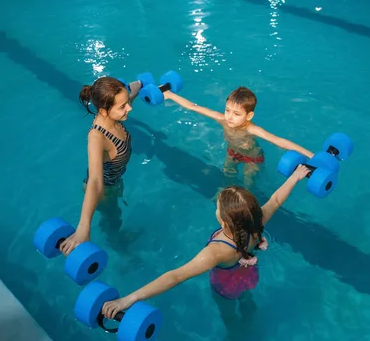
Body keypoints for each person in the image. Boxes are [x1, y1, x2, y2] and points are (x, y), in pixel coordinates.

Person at [101, 164, 310, 318]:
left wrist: (128, 299)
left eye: (218, 207)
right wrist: (295, 177)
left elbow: (175, 276)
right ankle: (248, 307)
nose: (216, 208)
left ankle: (234, 331)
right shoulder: (256, 223)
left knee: (227, 311)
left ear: (224, 220)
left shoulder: (218, 251)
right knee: (245, 295)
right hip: (248, 274)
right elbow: (275, 200)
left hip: (226, 286)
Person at [163, 86, 313, 187]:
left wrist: (310, 155)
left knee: (248, 183)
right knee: (227, 174)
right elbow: (193, 107)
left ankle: (247, 202)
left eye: (236, 114)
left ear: (249, 116)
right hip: (232, 153)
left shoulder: (252, 129)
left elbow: (278, 141)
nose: (229, 117)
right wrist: (169, 94)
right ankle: (227, 193)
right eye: (227, 110)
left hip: (252, 158)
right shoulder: (222, 119)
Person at [59, 77, 142, 255]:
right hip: (103, 190)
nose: (130, 108)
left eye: (127, 102)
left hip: (115, 181)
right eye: (123, 106)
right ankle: (119, 248)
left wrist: (133, 92)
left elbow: (121, 107)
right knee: (113, 218)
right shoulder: (97, 137)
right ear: (104, 110)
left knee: (113, 215)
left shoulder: (112, 116)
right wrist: (83, 228)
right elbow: (95, 181)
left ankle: (115, 237)